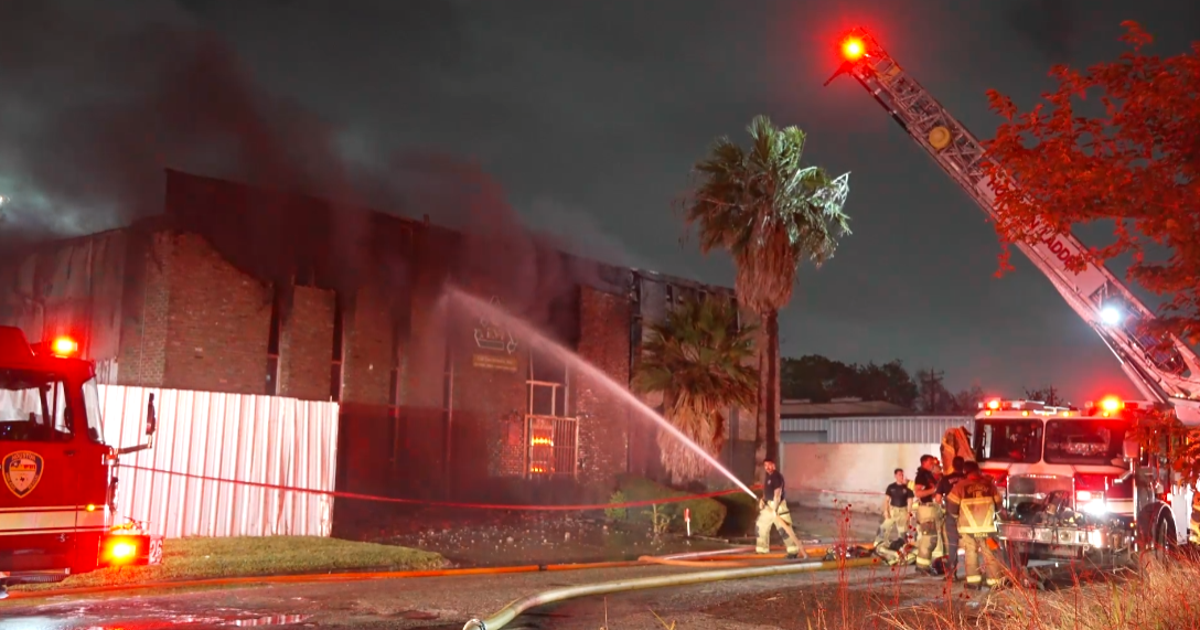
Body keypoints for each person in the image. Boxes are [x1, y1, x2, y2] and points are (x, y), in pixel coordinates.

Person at [947, 460, 1006, 589]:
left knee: (971, 553)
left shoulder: (960, 487)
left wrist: (958, 517)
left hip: (968, 529)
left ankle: (973, 582)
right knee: (990, 554)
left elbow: (951, 508)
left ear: (964, 472)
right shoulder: (989, 485)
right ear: (977, 470)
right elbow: (998, 505)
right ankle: (995, 582)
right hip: (988, 528)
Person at [756, 459, 803, 559]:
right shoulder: (768, 477)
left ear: (774, 465)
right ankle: (762, 550)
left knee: (784, 529)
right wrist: (763, 500)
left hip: (778, 506)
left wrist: (775, 509)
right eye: (765, 465)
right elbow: (767, 491)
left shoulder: (777, 477)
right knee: (761, 526)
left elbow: (777, 494)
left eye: (769, 465)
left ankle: (793, 551)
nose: (767, 467)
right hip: (768, 505)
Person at [936, 456, 967, 579]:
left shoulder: (945, 479)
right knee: (971, 545)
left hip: (951, 515)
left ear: (953, 466)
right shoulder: (967, 479)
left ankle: (951, 573)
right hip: (967, 516)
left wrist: (945, 506)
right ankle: (973, 573)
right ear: (963, 466)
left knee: (953, 545)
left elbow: (938, 498)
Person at [912, 455, 942, 574]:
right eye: (930, 462)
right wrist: (933, 491)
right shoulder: (921, 475)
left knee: (932, 539)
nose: (932, 463)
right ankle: (921, 566)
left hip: (931, 509)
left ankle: (924, 565)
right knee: (928, 539)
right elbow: (918, 493)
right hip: (926, 510)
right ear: (924, 462)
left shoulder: (928, 475)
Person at [880, 468, 914, 545]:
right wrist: (886, 511)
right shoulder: (891, 487)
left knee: (902, 531)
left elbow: (910, 501)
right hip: (893, 510)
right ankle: (881, 543)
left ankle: (902, 545)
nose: (901, 476)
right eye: (899, 475)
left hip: (903, 511)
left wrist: (909, 513)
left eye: (902, 475)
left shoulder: (907, 488)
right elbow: (887, 500)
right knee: (884, 528)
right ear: (895, 476)